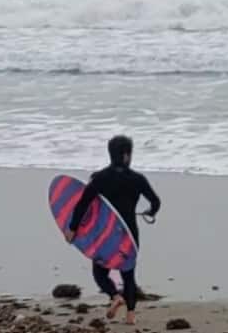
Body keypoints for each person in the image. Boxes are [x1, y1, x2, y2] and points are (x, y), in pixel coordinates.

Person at [68, 134, 161, 323]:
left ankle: (115, 296)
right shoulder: (137, 179)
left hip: (105, 234)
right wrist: (150, 212)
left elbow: (82, 204)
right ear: (127, 155)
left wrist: (72, 228)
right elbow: (155, 202)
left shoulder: (99, 178)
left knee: (100, 272)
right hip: (129, 234)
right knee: (128, 274)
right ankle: (131, 315)